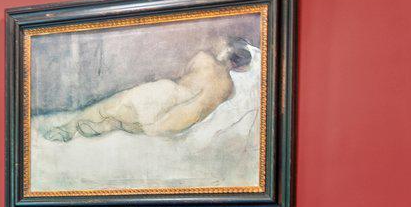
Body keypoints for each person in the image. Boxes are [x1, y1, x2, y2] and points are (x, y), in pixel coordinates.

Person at [41, 36, 253, 142]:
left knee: (114, 104)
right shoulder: (229, 88)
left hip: (168, 94)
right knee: (129, 121)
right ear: (239, 67)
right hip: (175, 120)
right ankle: (99, 125)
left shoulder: (204, 59)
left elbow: (182, 78)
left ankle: (69, 128)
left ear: (226, 50)